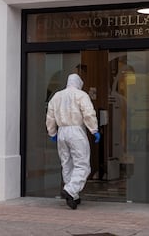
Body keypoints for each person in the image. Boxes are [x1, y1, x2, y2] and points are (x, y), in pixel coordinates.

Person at [46, 73, 101, 210]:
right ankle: (70, 190)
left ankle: (73, 196)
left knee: (67, 163)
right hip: (76, 131)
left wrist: (52, 132)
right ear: (78, 83)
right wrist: (94, 130)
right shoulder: (81, 95)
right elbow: (88, 113)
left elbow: (50, 116)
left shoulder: (57, 96)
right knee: (82, 165)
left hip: (62, 132)